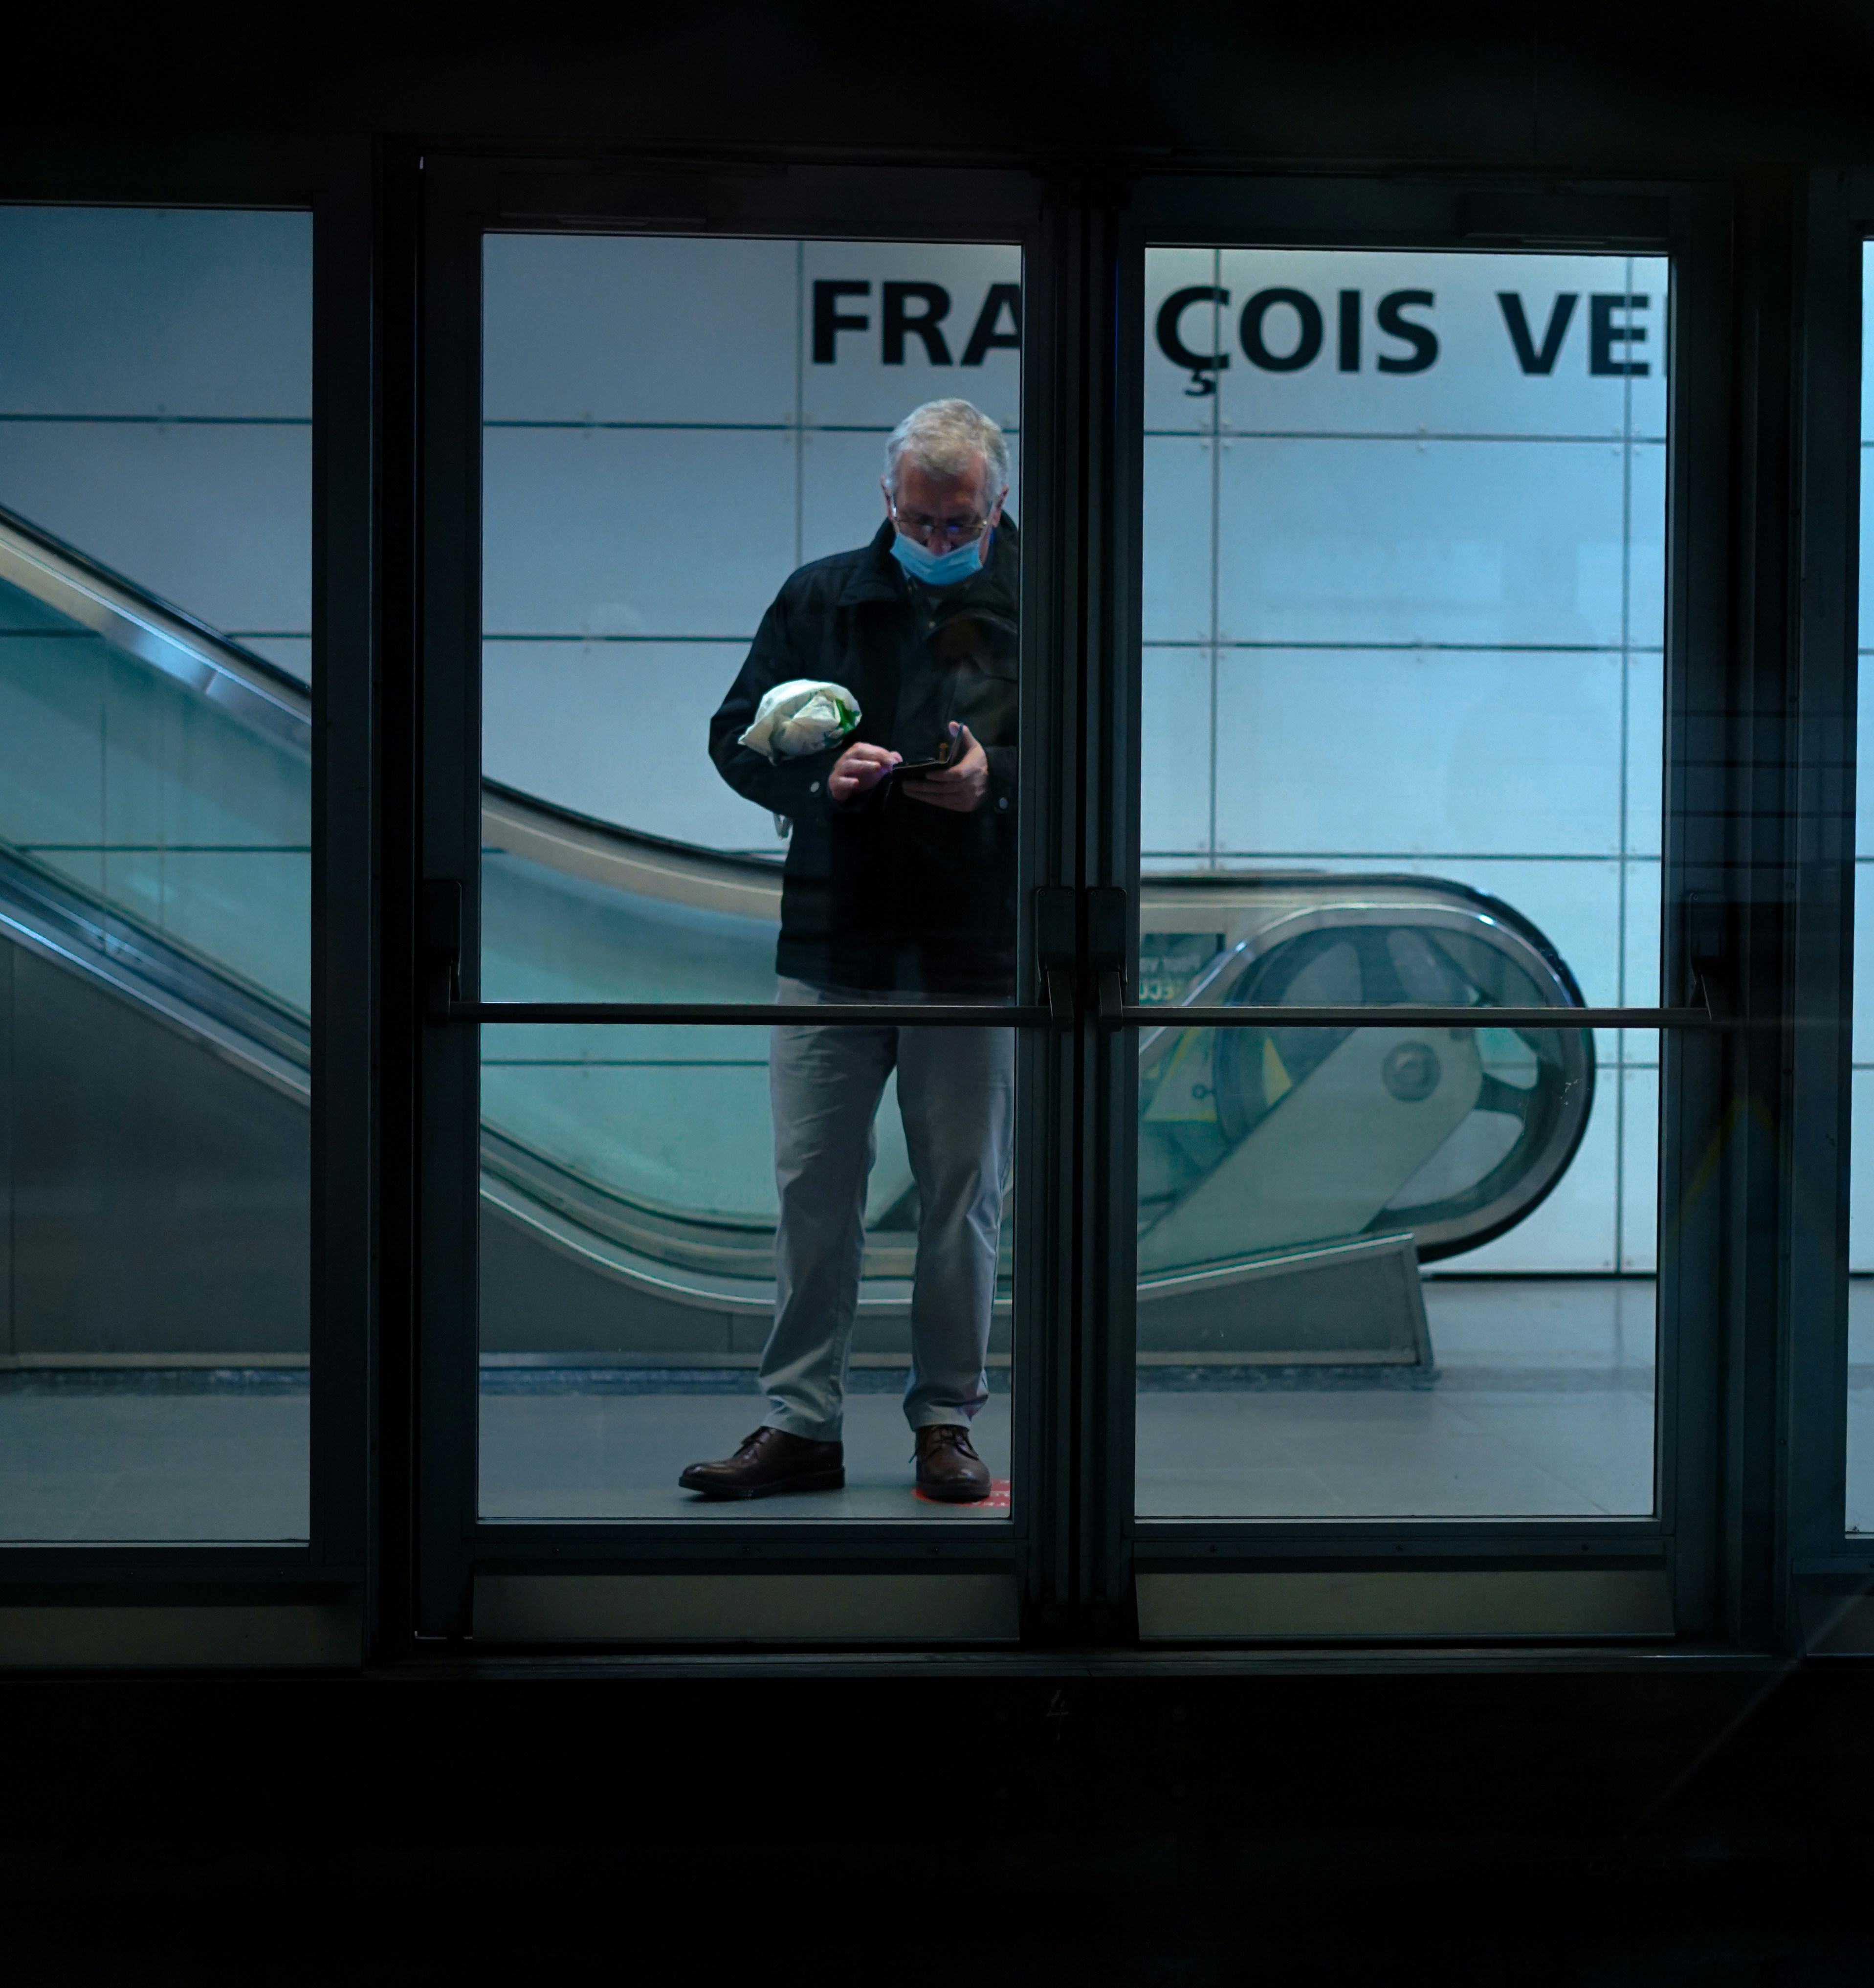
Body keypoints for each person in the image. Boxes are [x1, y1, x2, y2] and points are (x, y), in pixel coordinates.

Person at [681, 399, 1018, 1504]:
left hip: (973, 951)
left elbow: (1099, 761)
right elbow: (735, 736)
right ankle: (800, 1421)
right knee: (812, 1193)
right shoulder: (820, 595)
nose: (934, 539)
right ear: (887, 500)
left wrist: (993, 782)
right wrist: (813, 783)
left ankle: (944, 1421)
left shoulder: (1045, 600)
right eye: (917, 518)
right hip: (832, 941)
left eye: (954, 519)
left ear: (996, 501)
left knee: (960, 1197)